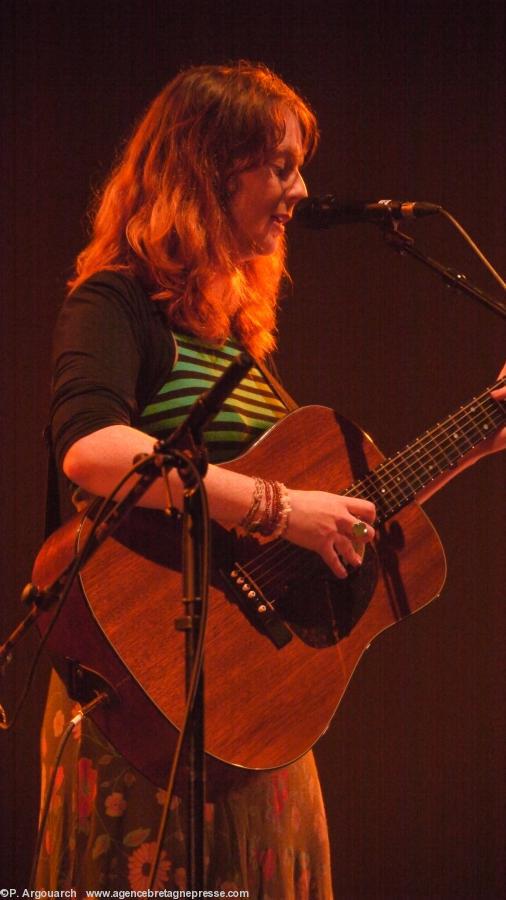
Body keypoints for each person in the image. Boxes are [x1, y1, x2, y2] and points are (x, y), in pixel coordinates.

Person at [34, 62, 505, 895]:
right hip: (152, 695)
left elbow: (335, 519)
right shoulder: (117, 304)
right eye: (280, 165)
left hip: (258, 709)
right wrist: (281, 506)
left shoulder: (238, 347)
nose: (300, 189)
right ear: (208, 167)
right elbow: (93, 452)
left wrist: (479, 440)